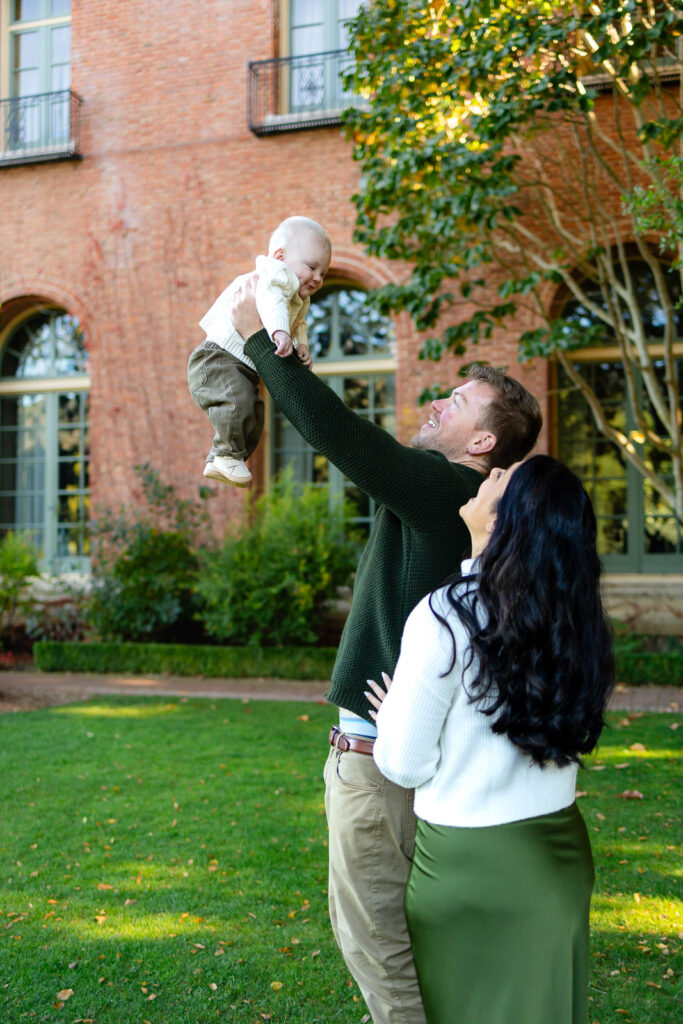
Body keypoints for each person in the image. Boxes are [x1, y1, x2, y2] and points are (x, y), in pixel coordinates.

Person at [229, 278, 542, 1024]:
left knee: (380, 948)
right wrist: (290, 356)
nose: (437, 402)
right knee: (412, 941)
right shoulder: (446, 502)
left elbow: (343, 436)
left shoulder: (443, 490)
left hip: (377, 765)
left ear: (482, 443)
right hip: (402, 756)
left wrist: (257, 344)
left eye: (457, 402)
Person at [367, 455, 614, 1024]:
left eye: (502, 477)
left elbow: (403, 765)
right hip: (558, 859)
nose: (488, 476)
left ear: (505, 520)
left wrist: (390, 723)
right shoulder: (577, 619)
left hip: (466, 867)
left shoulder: (444, 615)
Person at [187, 216, 331, 487]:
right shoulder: (274, 275)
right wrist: (279, 332)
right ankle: (225, 453)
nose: (317, 278)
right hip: (216, 359)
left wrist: (302, 345)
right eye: (312, 267)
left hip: (238, 366)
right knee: (238, 401)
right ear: (279, 256)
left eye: (323, 273)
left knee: (254, 413)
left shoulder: (298, 298)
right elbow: (269, 300)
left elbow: (299, 325)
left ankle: (226, 457)